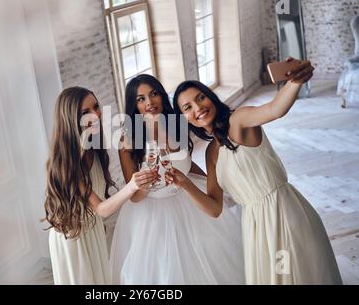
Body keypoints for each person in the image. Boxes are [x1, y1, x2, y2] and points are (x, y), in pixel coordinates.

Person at [168, 59, 343, 284]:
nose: (198, 108)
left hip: (284, 214)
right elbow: (214, 208)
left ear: (210, 97)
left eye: (200, 98)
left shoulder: (238, 120)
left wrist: (295, 81)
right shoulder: (211, 153)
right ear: (184, 117)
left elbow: (274, 109)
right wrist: (184, 183)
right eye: (187, 107)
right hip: (255, 230)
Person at [110, 74, 245, 285]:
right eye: (141, 99)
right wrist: (148, 183)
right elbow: (134, 197)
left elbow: (188, 164)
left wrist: (214, 183)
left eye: (154, 94)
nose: (149, 102)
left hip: (187, 198)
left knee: (209, 257)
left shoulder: (177, 124)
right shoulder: (128, 140)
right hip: (152, 212)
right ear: (133, 105)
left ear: (162, 96)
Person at [44, 87, 159, 284]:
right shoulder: (69, 162)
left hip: (93, 229)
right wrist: (131, 186)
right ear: (71, 118)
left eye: (95, 107)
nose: (95, 115)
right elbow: (102, 209)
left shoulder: (94, 147)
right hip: (74, 237)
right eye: (85, 112)